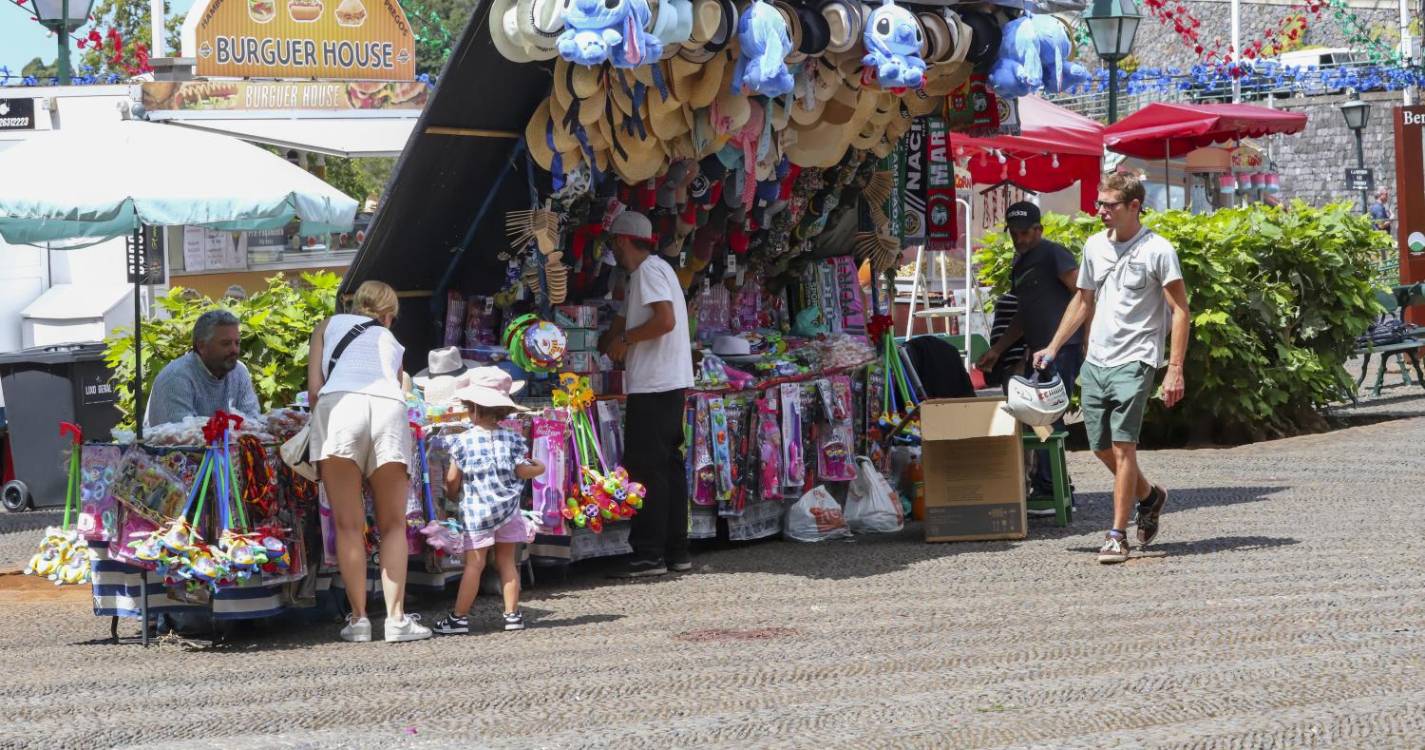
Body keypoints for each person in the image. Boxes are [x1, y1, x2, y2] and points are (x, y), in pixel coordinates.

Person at [1033, 173, 1191, 565]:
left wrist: (1174, 368)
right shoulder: (1093, 247)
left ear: (1134, 206)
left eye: (1109, 205)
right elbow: (1083, 301)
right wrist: (1053, 346)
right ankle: (1150, 497)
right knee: (1100, 447)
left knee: (1124, 447)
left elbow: (1180, 310)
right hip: (1097, 361)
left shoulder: (1158, 250)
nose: (1100, 211)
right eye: (1100, 203)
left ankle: (1117, 535)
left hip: (1135, 360)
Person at [306, 280, 430, 642]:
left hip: (340, 407)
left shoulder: (327, 326)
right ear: (389, 315)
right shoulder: (392, 342)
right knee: (392, 525)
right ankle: (396, 619)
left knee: (348, 525)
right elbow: (398, 387)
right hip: (388, 410)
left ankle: (359, 620)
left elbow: (315, 390)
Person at [599, 211, 695, 578]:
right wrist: (609, 338)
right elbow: (625, 320)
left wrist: (625, 340)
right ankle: (676, 550)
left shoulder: (648, 272)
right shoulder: (653, 272)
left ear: (623, 240)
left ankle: (649, 554)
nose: (612, 252)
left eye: (612, 244)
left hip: (655, 385)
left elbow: (663, 321)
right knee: (668, 467)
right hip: (666, 383)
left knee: (647, 469)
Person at [976, 202, 1083, 510]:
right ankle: (1052, 486)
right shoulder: (1020, 263)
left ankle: (1054, 490)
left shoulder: (1054, 254)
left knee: (1044, 416)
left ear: (1039, 230)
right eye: (1014, 233)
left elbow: (1084, 293)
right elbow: (1024, 313)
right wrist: (997, 350)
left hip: (1063, 348)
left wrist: (1086, 338)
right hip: (1038, 351)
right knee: (1035, 416)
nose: (1020, 239)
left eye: (1025, 233)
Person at [432, 368, 545, 635]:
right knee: (507, 563)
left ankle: (458, 619)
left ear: (472, 409)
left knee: (475, 564)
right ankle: (513, 615)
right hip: (508, 511)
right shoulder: (515, 438)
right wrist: (539, 468)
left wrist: (451, 496)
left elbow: (451, 479)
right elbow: (523, 470)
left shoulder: (463, 441)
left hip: (477, 513)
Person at [146, 309, 261, 427]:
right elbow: (181, 437)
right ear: (201, 346)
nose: (234, 350)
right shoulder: (175, 377)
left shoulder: (239, 372)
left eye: (237, 343)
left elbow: (253, 424)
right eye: (226, 343)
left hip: (228, 445)